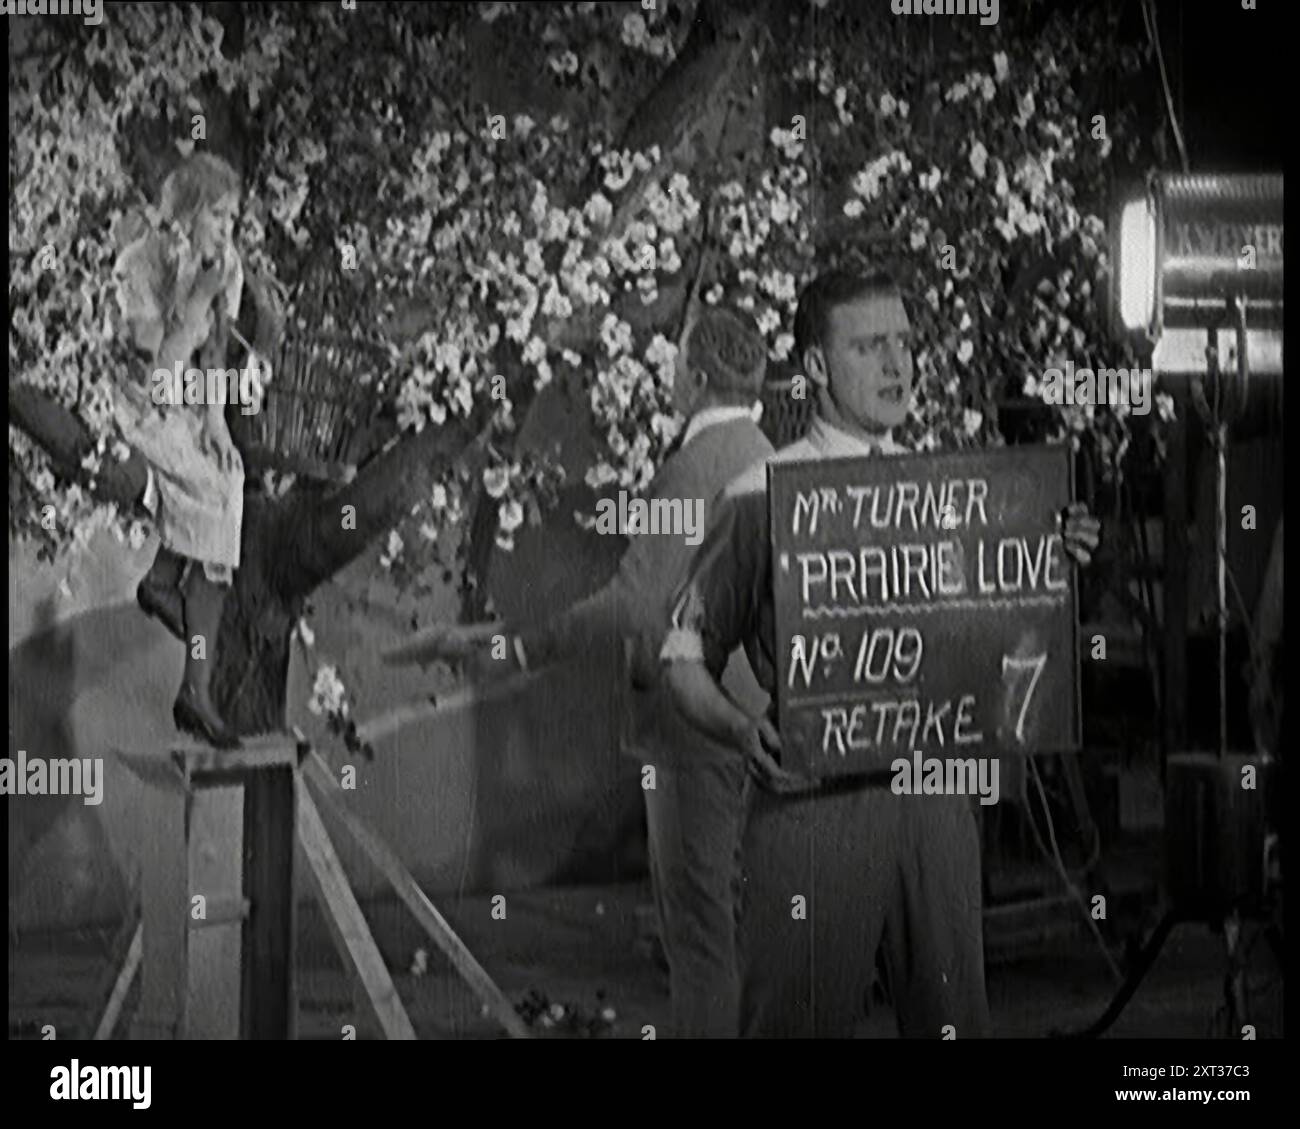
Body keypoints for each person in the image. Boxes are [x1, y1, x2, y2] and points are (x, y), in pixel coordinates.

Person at [660, 267, 1101, 1037]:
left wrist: (1049, 554)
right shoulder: (760, 492)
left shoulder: (962, 494)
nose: (898, 364)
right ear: (816, 367)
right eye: (869, 346)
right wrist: (737, 729)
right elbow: (680, 657)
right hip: (811, 807)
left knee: (955, 1022)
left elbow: (1002, 633)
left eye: (904, 343)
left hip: (936, 801)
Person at [385, 306, 775, 1037]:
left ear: (692, 377)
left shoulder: (690, 472)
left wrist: (526, 646)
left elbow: (632, 601)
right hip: (759, 724)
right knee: (742, 928)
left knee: (699, 933)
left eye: (675, 362)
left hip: (693, 735)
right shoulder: (772, 458)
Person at [113, 152, 247, 748]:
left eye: (233, 219)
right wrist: (193, 300)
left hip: (186, 396)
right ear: (187, 215)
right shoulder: (138, 266)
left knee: (229, 474)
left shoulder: (226, 265)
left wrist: (216, 420)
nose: (227, 230)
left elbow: (214, 345)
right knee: (213, 490)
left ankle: (169, 593)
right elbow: (155, 374)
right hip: (136, 396)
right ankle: (166, 597)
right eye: (218, 216)